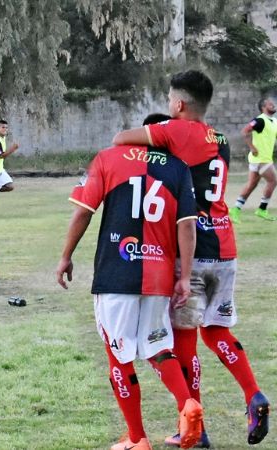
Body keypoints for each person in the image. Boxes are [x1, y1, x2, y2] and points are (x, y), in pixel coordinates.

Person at [113, 70, 270, 447]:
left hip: (194, 249)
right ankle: (253, 394)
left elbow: (120, 140)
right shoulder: (220, 138)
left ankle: (195, 430)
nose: (169, 106)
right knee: (216, 331)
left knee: (184, 344)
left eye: (170, 100)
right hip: (225, 246)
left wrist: (157, 136)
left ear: (179, 103)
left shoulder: (176, 130)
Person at [57, 112, 203, 450]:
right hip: (158, 276)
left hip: (116, 274)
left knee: (118, 357)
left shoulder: (108, 158)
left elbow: (83, 211)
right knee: (158, 348)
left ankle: (137, 438)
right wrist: (184, 276)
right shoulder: (179, 168)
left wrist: (65, 256)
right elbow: (186, 226)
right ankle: (187, 403)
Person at [229, 97, 277, 223]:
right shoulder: (260, 120)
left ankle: (235, 209)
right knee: (273, 181)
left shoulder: (274, 121)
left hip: (261, 159)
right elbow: (245, 131)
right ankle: (262, 209)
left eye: (273, 103)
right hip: (261, 158)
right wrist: (252, 147)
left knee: (251, 185)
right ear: (263, 107)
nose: (273, 105)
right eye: (270, 104)